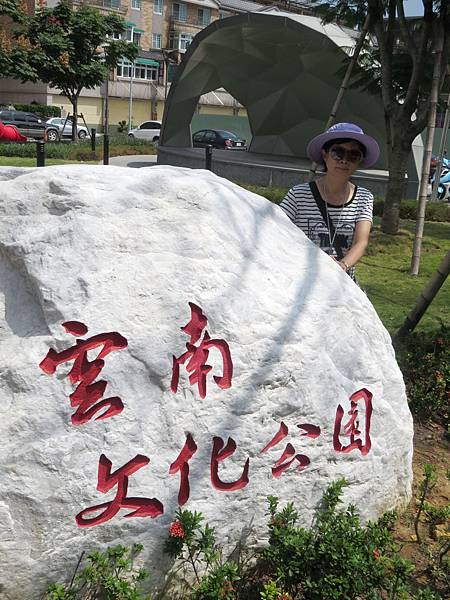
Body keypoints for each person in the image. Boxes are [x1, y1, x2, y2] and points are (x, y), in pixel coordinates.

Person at [280, 122, 380, 281]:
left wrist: (342, 265)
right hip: (301, 280)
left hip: (341, 285)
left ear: (359, 161)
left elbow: (361, 242)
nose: (344, 160)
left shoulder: (364, 198)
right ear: (324, 154)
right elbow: (277, 233)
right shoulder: (298, 195)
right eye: (338, 152)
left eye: (353, 156)